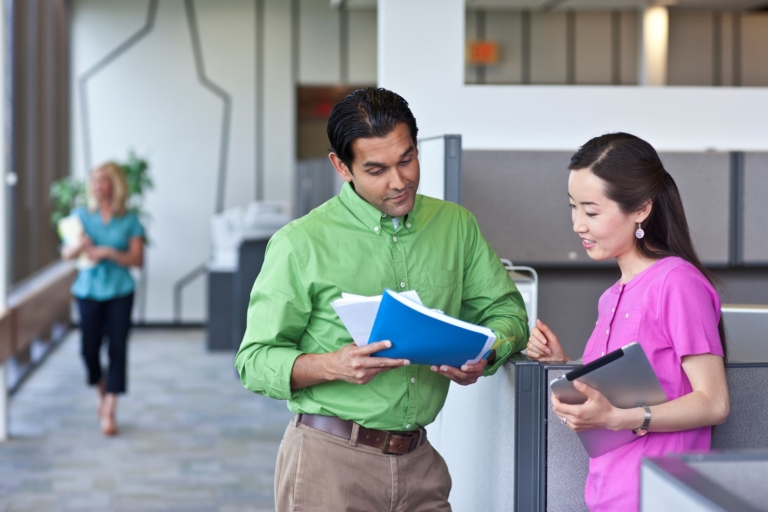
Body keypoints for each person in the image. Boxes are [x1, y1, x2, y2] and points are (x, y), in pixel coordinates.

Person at [235, 87, 529, 511]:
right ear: (342, 166)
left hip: (420, 465)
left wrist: (489, 352)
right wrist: (332, 364)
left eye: (407, 160)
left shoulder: (455, 226)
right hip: (329, 464)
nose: (399, 181)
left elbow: (507, 312)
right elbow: (254, 360)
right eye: (377, 169)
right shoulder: (301, 243)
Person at [526, 133, 729, 511]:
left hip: (663, 496)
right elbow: (613, 399)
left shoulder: (677, 282)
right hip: (607, 494)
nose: (577, 225)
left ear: (640, 209)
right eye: (573, 208)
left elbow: (713, 402)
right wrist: (562, 365)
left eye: (591, 211)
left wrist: (622, 418)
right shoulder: (610, 297)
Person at [61, 162, 145, 436]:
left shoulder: (130, 219)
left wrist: (108, 252)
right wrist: (80, 246)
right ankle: (101, 392)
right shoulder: (80, 216)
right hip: (88, 290)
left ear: (115, 184)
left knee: (118, 348)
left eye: (104, 180)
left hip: (120, 290)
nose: (98, 186)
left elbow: (137, 259)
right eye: (94, 181)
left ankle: (109, 408)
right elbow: (66, 254)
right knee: (89, 349)